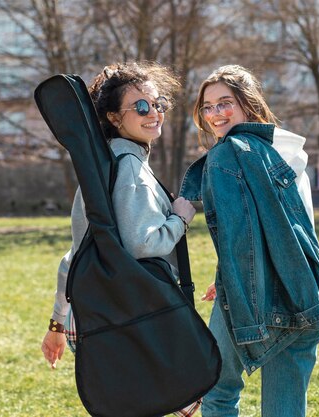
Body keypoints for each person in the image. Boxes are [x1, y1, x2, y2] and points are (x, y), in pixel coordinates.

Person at [40, 62, 200, 416]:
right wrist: (180, 218)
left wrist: (58, 321)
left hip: (102, 312)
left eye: (157, 104)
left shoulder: (100, 165)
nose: (153, 113)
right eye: (140, 106)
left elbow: (76, 253)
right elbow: (142, 245)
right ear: (114, 117)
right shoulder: (129, 168)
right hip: (140, 315)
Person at [180, 64, 319, 417]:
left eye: (225, 103)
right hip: (306, 294)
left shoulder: (226, 155)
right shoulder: (288, 149)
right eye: (207, 107)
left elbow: (243, 237)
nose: (214, 114)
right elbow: (287, 230)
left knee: (218, 391)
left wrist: (233, 281)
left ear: (247, 104)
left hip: (253, 297)